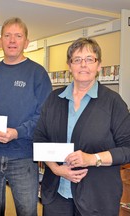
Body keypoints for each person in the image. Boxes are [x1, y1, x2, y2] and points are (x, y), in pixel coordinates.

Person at [34, 37, 130, 216]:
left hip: (98, 197)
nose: (83, 65)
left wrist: (92, 159)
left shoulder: (113, 103)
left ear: (99, 65)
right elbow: (39, 139)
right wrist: (56, 168)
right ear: (69, 66)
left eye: (89, 59)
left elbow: (127, 148)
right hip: (57, 194)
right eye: (77, 60)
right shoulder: (55, 99)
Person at [0, 17, 52, 216]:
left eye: (18, 36)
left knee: (27, 211)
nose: (12, 40)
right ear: (1, 41)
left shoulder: (38, 74)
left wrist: (17, 132)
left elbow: (44, 115)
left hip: (23, 156)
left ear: (26, 42)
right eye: (7, 36)